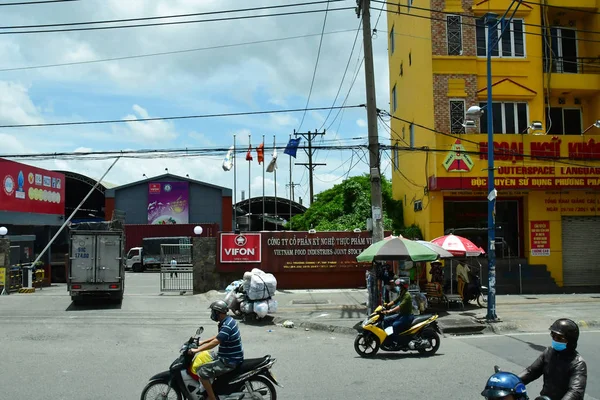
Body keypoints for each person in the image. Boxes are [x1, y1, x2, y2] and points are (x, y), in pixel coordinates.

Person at [518, 318, 587, 400]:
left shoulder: (578, 363)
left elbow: (575, 391)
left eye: (559, 338)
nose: (555, 340)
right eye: (553, 336)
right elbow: (531, 372)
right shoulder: (549, 353)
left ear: (571, 341)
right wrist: (512, 383)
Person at [189, 300, 244, 400]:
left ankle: (212, 398)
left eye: (213, 312)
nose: (212, 314)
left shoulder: (227, 325)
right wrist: (202, 342)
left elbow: (216, 342)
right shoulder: (228, 321)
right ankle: (212, 388)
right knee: (206, 356)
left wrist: (196, 350)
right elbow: (219, 336)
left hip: (229, 360)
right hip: (227, 355)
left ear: (218, 313)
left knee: (202, 372)